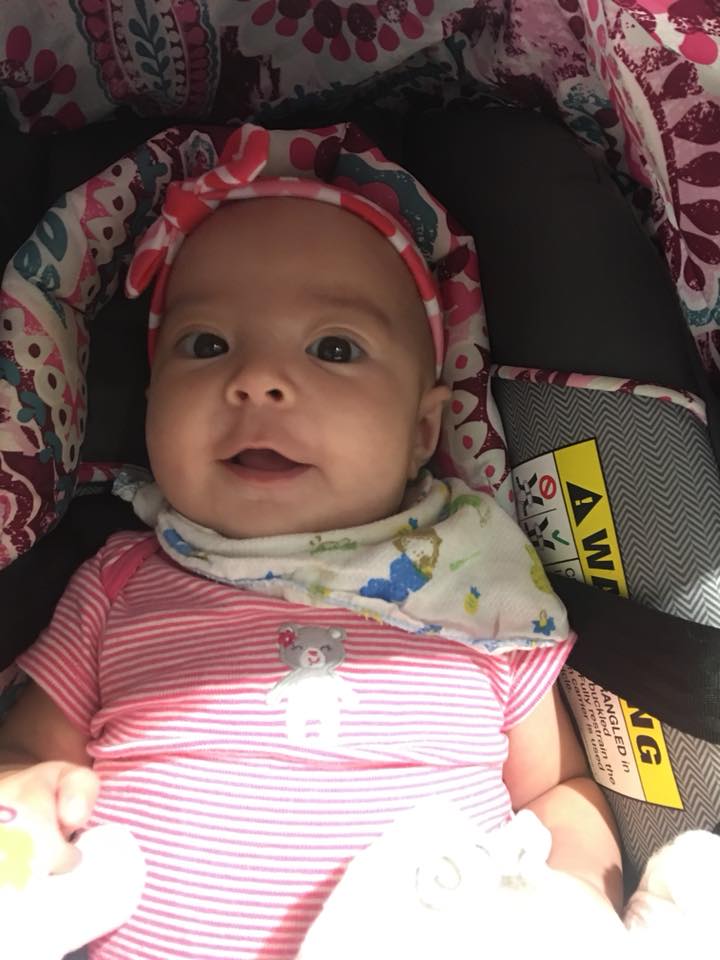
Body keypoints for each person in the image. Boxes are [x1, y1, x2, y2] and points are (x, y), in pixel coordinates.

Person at [0, 122, 621, 959]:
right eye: (206, 344)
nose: (257, 379)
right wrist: (28, 793)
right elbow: (28, 750)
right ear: (150, 406)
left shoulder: (479, 588)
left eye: (334, 347)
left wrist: (574, 900)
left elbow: (559, 790)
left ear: (422, 430)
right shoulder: (121, 580)